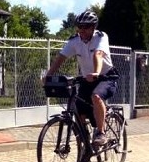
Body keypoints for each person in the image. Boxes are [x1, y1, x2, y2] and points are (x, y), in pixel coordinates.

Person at [43, 10, 118, 147]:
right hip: (86, 79)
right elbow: (61, 58)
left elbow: (98, 54)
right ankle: (85, 144)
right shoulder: (74, 41)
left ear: (93, 27)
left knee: (96, 96)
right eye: (79, 26)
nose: (82, 30)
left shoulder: (101, 37)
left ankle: (101, 133)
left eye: (86, 27)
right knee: (79, 109)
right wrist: (48, 75)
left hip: (106, 77)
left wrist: (96, 72)